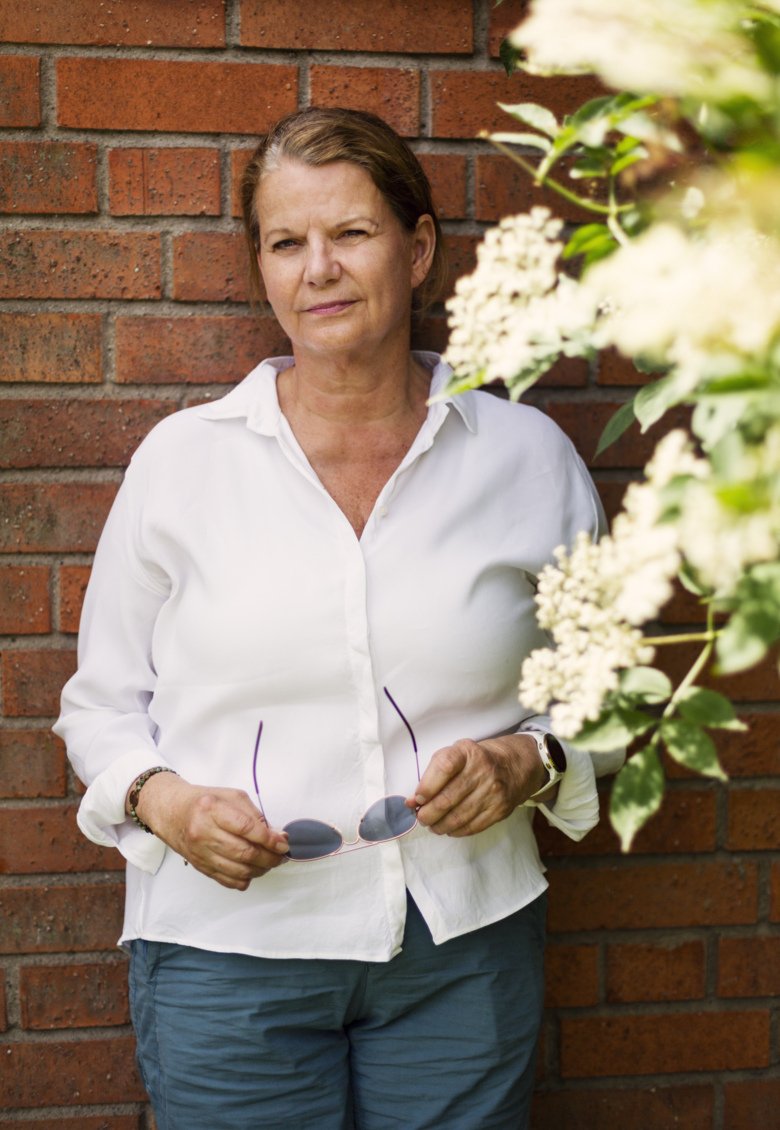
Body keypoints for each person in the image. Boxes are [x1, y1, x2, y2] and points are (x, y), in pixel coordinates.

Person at [54, 107, 620, 1130]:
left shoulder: (526, 458)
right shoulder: (182, 464)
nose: (319, 267)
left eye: (351, 232)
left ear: (419, 248)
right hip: (227, 955)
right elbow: (101, 704)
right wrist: (162, 798)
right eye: (286, 241)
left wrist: (529, 761)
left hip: (462, 952)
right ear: (262, 267)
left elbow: (609, 689)